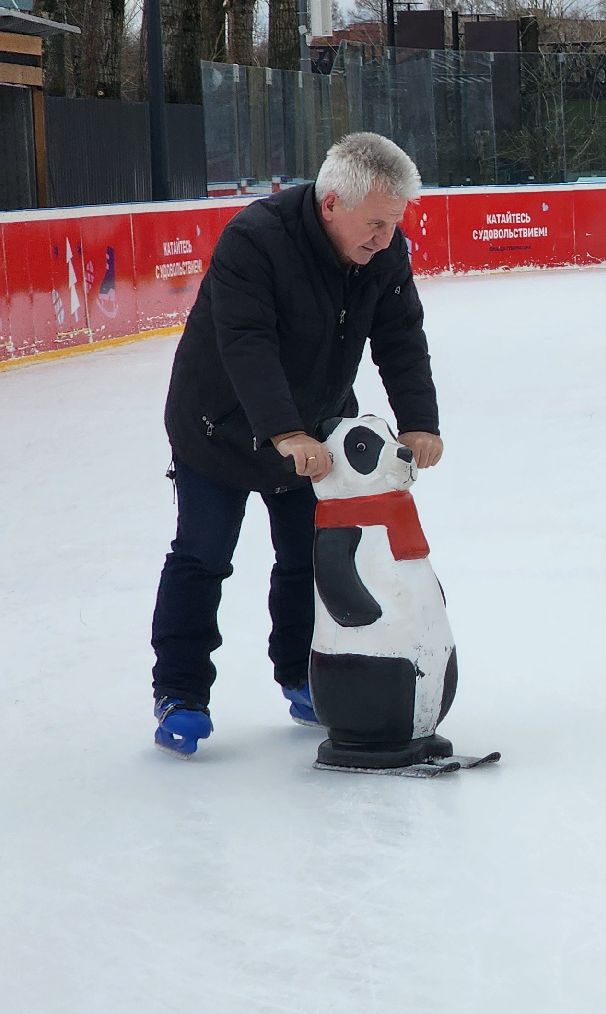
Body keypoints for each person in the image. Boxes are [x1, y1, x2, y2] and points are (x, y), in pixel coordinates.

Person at [150, 132, 445, 758]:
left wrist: (419, 419)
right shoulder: (256, 240)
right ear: (332, 203)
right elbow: (246, 342)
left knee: (305, 560)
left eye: (394, 225)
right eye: (375, 225)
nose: (385, 240)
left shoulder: (383, 255)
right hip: (219, 426)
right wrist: (284, 431)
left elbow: (400, 337)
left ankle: (299, 676)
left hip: (313, 427)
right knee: (202, 556)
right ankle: (180, 692)